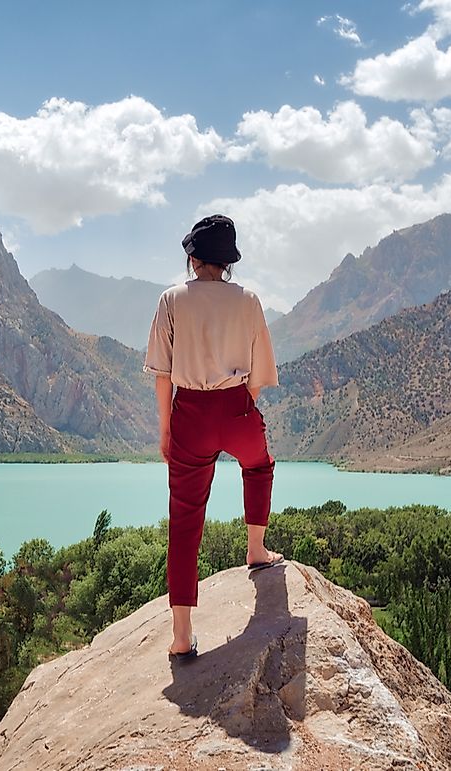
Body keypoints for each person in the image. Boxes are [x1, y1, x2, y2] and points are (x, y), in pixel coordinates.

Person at [144, 214, 282, 661]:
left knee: (185, 521)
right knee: (258, 465)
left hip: (190, 414)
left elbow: (163, 376)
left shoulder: (171, 300)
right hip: (236, 405)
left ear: (192, 257)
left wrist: (167, 430)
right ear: (228, 263)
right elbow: (260, 373)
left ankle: (182, 634)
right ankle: (257, 549)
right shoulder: (250, 301)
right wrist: (240, 403)